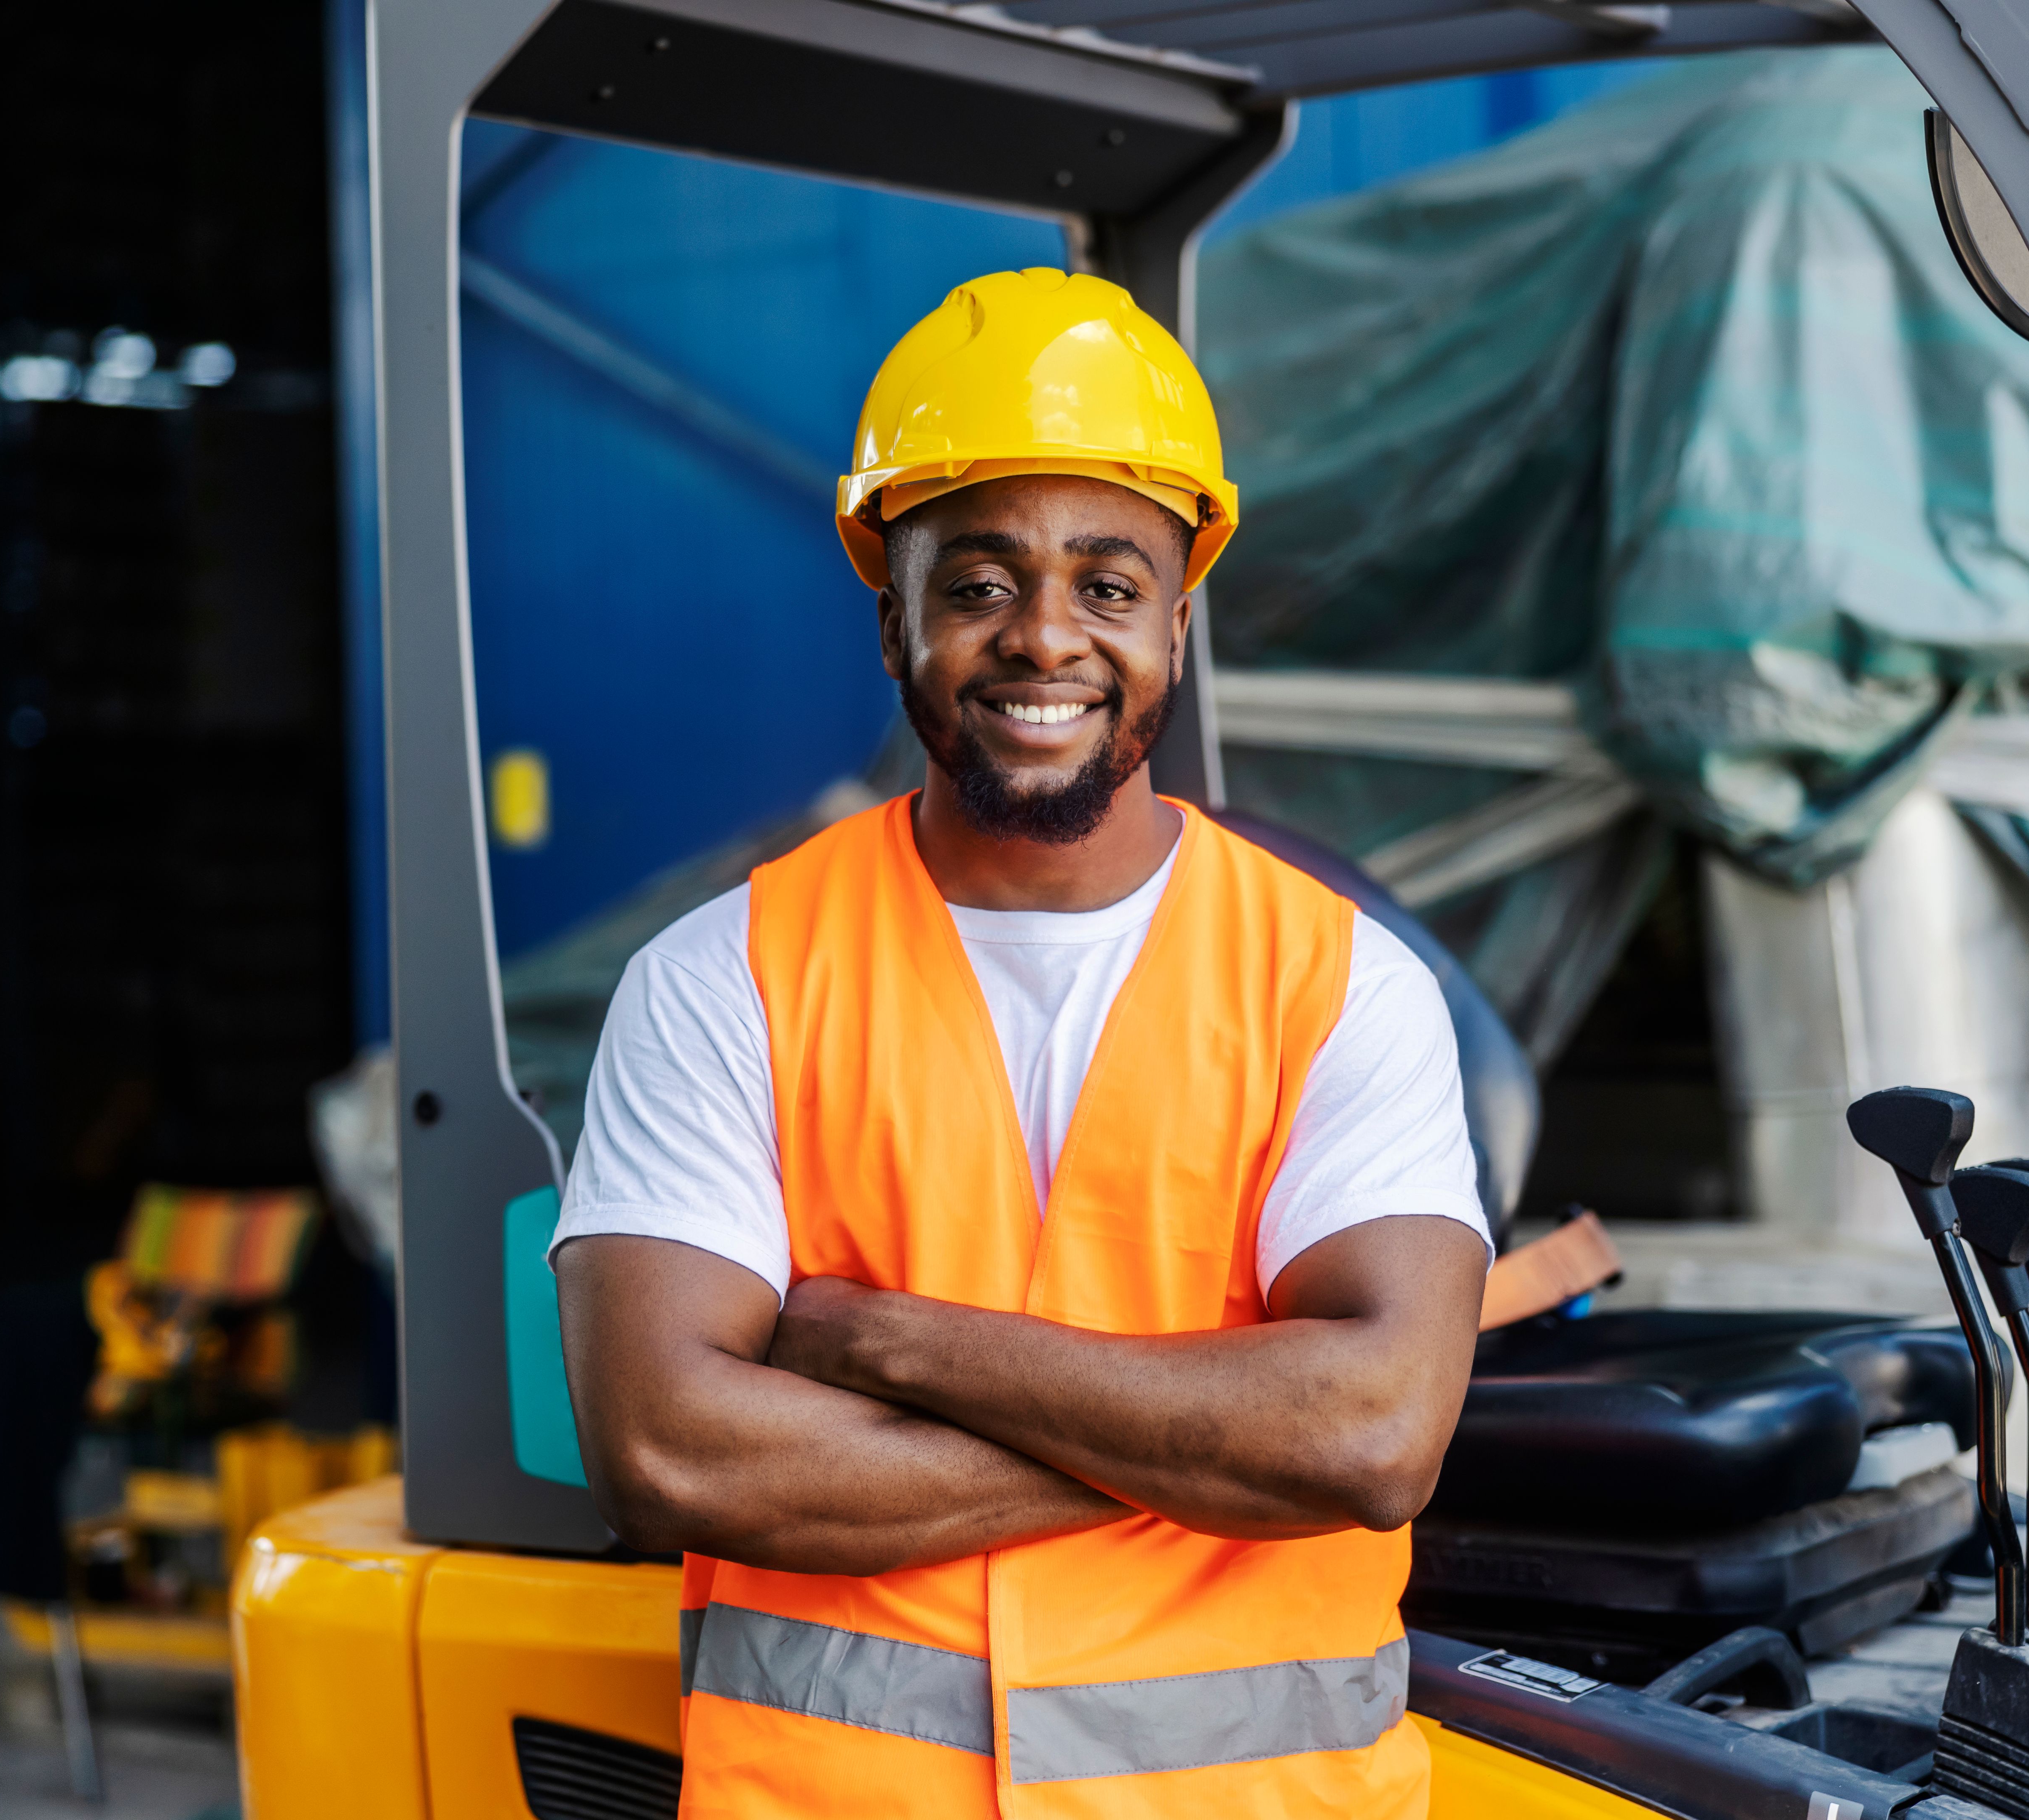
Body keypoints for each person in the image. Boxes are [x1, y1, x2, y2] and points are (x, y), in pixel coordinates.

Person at [552, 267, 1491, 1817]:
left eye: (1108, 585)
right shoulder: (723, 979)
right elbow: (671, 1455)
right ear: (892, 622)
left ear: (1177, 627)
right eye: (978, 583)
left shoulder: (1339, 982)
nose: (1044, 638)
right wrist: (1211, 1450)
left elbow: (1374, 1439)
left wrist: (881, 1343)